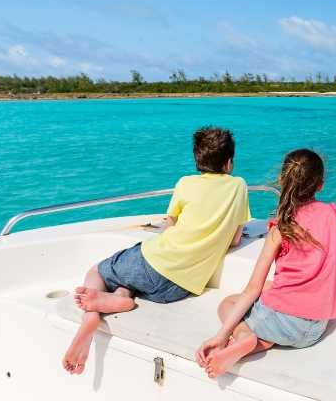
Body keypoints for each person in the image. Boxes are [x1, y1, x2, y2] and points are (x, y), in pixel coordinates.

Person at [62, 126, 251, 375]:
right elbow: (236, 239)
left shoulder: (185, 183)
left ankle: (91, 317)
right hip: (178, 288)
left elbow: (169, 225)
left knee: (97, 272)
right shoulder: (239, 186)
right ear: (229, 163)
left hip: (155, 261)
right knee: (128, 281)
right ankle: (121, 297)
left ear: (198, 160)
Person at [196, 148, 336, 379]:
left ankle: (242, 337)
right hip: (313, 330)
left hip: (280, 321)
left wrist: (221, 335)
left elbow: (252, 288)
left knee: (227, 303)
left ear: (283, 182)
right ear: (320, 185)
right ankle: (253, 343)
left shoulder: (280, 228)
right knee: (271, 290)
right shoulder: (331, 214)